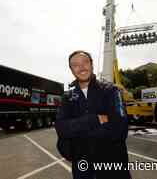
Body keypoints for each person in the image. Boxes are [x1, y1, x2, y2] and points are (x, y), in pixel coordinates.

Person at [55, 50, 131, 179]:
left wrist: (77, 131)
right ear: (71, 70)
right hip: (82, 169)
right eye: (75, 65)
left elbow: (120, 130)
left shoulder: (111, 91)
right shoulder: (67, 97)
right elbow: (62, 128)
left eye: (85, 62)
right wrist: (95, 119)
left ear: (92, 64)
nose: (82, 67)